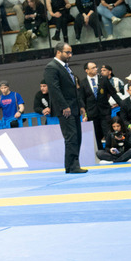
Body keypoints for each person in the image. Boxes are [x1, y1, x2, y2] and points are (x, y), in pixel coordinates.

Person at [44, 42, 86, 173]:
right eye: (67, 52)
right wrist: (64, 106)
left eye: (71, 52)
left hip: (74, 107)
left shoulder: (66, 67)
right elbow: (54, 89)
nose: (70, 55)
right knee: (71, 137)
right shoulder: (51, 67)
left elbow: (74, 88)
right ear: (58, 52)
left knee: (77, 137)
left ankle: (72, 165)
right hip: (65, 109)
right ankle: (72, 166)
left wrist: (81, 105)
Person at [79, 61, 120, 148]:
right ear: (86, 70)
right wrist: (84, 114)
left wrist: (122, 104)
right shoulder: (83, 83)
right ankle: (100, 152)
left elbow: (113, 93)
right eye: (93, 68)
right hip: (92, 113)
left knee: (108, 133)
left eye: (95, 67)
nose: (96, 69)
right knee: (96, 135)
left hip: (105, 112)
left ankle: (111, 150)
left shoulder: (103, 79)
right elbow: (82, 100)